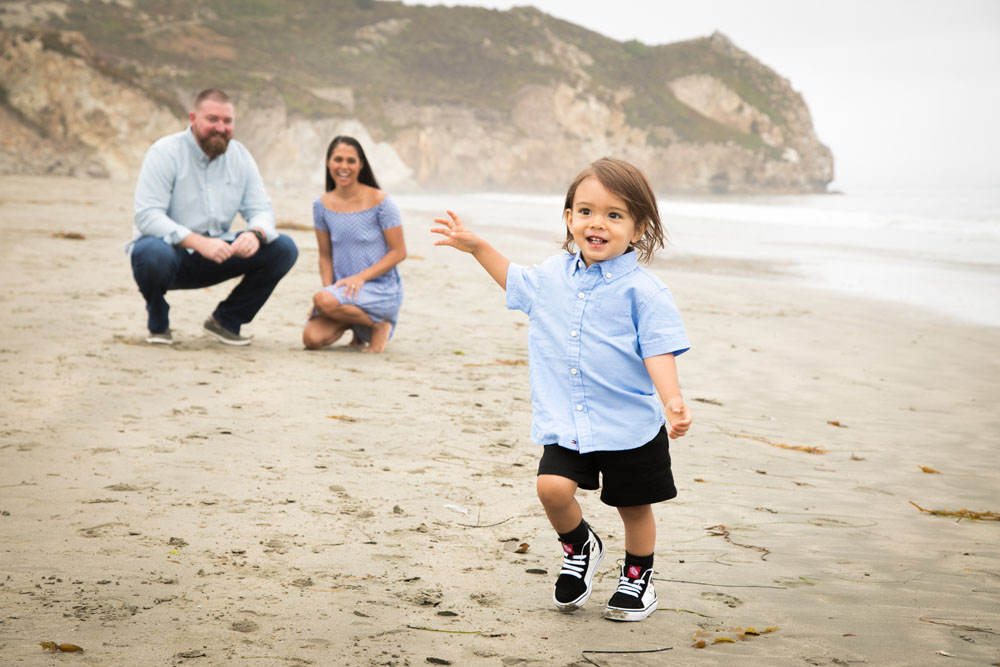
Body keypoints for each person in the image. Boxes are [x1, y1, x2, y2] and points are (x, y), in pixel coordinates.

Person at [432, 157, 692, 622]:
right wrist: (477, 247)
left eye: (615, 215)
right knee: (551, 488)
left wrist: (672, 399)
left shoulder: (644, 292)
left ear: (637, 228)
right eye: (586, 211)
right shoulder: (552, 275)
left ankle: (637, 577)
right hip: (568, 419)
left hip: (628, 423)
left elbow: (659, 351)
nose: (597, 223)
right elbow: (514, 280)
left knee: (633, 507)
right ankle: (580, 546)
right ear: (569, 218)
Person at [128, 88, 298, 346]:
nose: (220, 127)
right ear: (193, 118)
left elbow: (261, 210)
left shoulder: (240, 157)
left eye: (227, 121)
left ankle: (226, 321)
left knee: (283, 248)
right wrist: (198, 242)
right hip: (170, 255)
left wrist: (255, 233)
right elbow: (147, 216)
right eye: (212, 120)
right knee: (150, 251)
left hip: (218, 253)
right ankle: (158, 317)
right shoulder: (164, 152)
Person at [302, 136, 406, 353]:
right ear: (328, 163)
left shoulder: (381, 202)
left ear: (361, 165)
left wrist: (360, 278)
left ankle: (379, 325)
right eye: (338, 159)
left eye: (351, 161)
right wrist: (329, 292)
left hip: (380, 289)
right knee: (311, 339)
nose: (344, 166)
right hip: (343, 293)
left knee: (323, 300)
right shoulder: (321, 205)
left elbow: (399, 252)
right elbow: (325, 256)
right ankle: (358, 326)